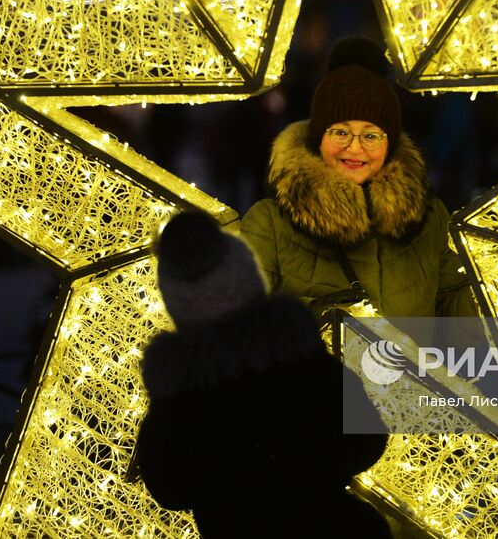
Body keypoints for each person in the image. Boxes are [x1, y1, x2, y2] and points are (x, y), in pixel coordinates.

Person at [136, 209, 390, 538]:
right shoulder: (303, 365)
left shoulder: (179, 406)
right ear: (249, 280)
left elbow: (168, 488)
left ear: (177, 305)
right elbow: (368, 439)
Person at [239, 37, 477, 318]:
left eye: (371, 135)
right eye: (340, 132)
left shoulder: (429, 220)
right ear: (318, 137)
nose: (354, 147)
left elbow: (456, 317)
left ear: (390, 144)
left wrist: (492, 288)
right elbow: (246, 328)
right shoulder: (270, 225)